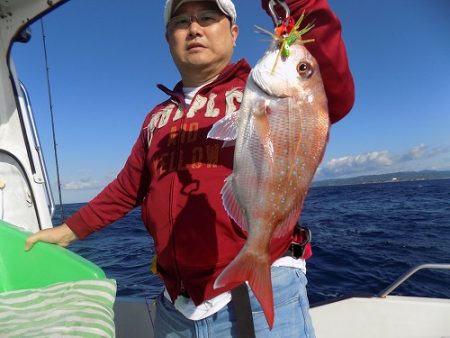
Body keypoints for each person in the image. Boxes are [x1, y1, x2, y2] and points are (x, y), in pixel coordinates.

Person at [26, 0, 354, 337]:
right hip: (175, 308)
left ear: (234, 32)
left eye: (208, 17)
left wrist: (300, 5)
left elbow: (329, 90)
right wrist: (66, 231)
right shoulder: (156, 118)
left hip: (260, 292)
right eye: (181, 22)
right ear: (168, 38)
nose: (194, 28)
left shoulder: (262, 90)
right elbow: (128, 187)